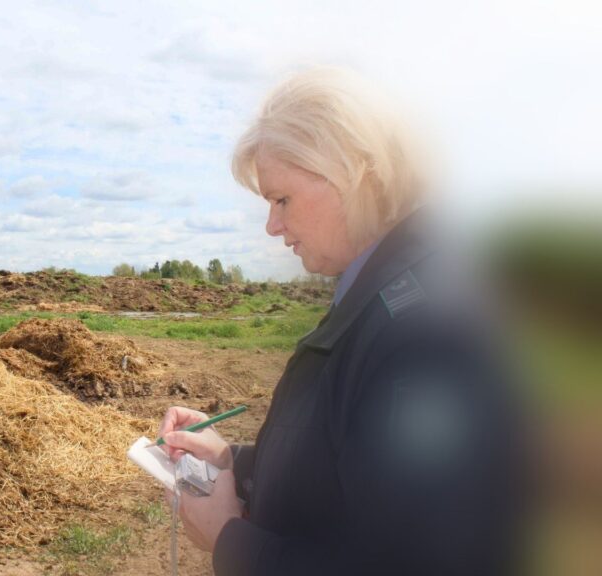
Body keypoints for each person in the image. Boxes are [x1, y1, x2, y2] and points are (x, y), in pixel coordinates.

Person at [158, 68, 526, 575]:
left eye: (281, 199)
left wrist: (231, 541)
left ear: (352, 172)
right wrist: (233, 462)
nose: (272, 226)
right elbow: (351, 464)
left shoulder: (426, 334)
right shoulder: (380, 294)